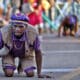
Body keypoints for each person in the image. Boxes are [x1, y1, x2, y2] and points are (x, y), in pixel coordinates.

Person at [0, 13, 51, 78]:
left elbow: (38, 52)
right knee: (9, 73)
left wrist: (39, 73)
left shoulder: (33, 32)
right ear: (11, 25)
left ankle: (22, 63)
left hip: (26, 54)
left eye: (21, 27)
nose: (17, 29)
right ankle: (10, 65)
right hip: (8, 52)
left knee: (30, 74)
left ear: (26, 26)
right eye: (15, 26)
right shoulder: (4, 32)